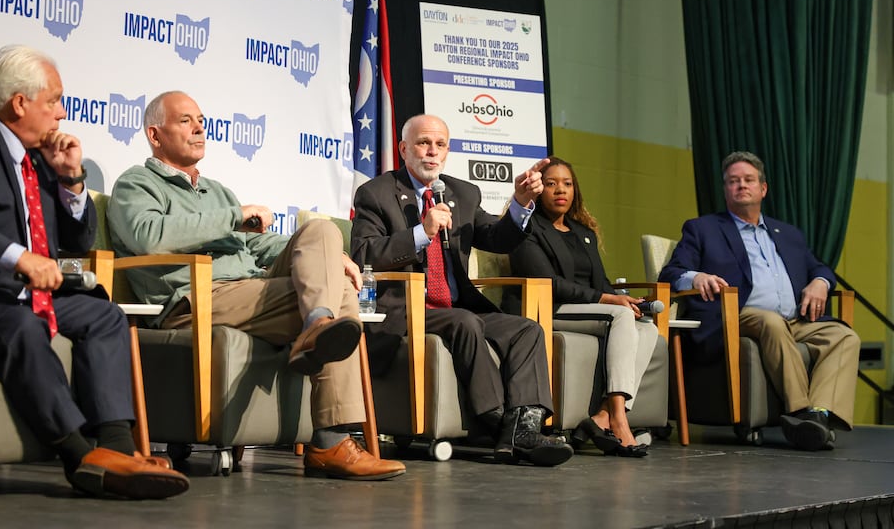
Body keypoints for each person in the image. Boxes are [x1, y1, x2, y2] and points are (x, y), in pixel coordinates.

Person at [0, 45, 188, 498]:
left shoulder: (38, 158)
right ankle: (78, 456)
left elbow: (77, 244)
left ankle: (115, 448)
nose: (62, 113)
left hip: (15, 292)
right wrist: (18, 256)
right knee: (21, 323)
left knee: (104, 316)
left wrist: (72, 181)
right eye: (53, 100)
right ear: (19, 103)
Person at [106, 91, 405, 481]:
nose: (199, 128)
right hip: (195, 299)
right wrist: (233, 215)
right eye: (185, 121)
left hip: (247, 292)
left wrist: (332, 256)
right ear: (155, 134)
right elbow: (147, 235)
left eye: (201, 119)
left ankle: (317, 324)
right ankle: (330, 442)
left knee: (321, 232)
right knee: (343, 294)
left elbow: (253, 244)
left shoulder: (215, 190)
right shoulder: (138, 183)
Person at [350, 113, 572, 467]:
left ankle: (525, 426)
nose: (432, 152)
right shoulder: (376, 193)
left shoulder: (461, 193)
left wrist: (520, 203)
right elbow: (363, 254)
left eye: (440, 145)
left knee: (527, 329)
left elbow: (496, 238)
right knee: (465, 322)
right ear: (404, 149)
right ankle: (496, 423)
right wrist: (421, 233)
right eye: (423, 143)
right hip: (404, 310)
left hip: (456, 307)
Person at [658, 151, 861, 451]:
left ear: (763, 189)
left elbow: (818, 267)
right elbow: (671, 272)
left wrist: (820, 282)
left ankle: (818, 415)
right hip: (738, 315)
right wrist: (696, 277)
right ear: (725, 189)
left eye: (748, 180)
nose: (741, 185)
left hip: (796, 320)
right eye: (733, 181)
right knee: (771, 321)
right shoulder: (703, 229)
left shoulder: (788, 234)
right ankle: (799, 412)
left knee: (844, 336)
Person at [507, 158, 655, 457]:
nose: (560, 190)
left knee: (646, 325)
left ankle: (600, 417)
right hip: (546, 308)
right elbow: (549, 283)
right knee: (620, 314)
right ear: (537, 189)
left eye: (567, 183)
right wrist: (611, 301)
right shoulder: (526, 228)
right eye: (551, 184)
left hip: (584, 309)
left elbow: (601, 283)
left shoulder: (582, 232)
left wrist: (625, 298)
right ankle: (618, 419)